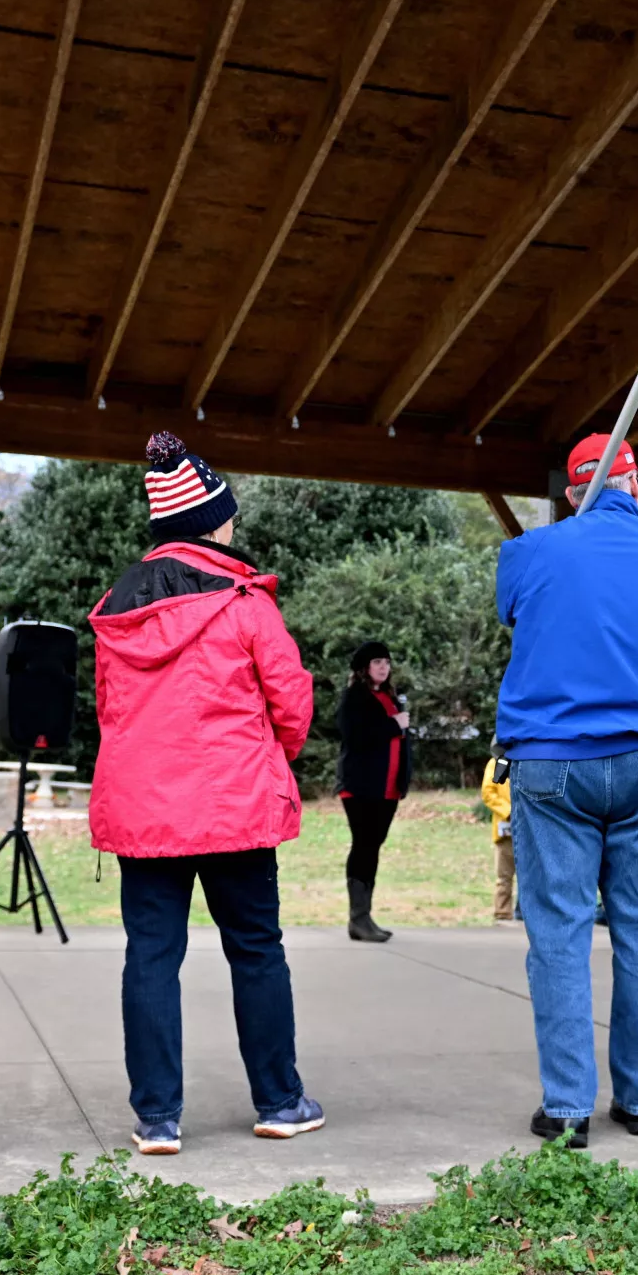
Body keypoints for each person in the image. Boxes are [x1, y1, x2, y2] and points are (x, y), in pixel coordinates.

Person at [91, 432, 322, 1157]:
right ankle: (280, 1100)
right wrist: (264, 757)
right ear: (211, 522)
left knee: (150, 956)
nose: (233, 526)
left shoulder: (116, 609)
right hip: (234, 805)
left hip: (145, 809)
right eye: (227, 515)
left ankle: (157, 1116)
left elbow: (109, 710)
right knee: (256, 948)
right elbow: (292, 702)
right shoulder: (245, 599)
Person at [494, 434, 638, 1146]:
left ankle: (568, 1107)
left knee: (559, 931)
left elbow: (513, 613)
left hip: (553, 761)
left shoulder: (530, 550)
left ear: (571, 491)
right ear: (636, 484)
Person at [337, 639, 410, 943]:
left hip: (387, 789)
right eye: (377, 662)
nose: (384, 667)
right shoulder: (354, 697)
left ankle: (365, 916)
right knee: (364, 846)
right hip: (362, 787)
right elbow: (355, 736)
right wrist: (394, 725)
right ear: (364, 668)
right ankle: (359, 918)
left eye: (387, 662)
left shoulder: (391, 698)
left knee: (373, 847)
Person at [481, 755, 517, 923]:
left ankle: (526, 914)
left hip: (530, 827)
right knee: (504, 876)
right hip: (505, 828)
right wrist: (508, 811)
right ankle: (503, 914)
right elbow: (488, 793)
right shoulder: (496, 763)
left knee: (532, 876)